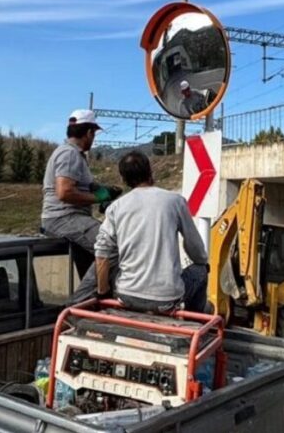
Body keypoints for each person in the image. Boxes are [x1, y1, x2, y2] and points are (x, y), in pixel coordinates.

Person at [94, 151, 209, 314]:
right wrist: (201, 261)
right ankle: (193, 320)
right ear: (150, 171)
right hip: (167, 300)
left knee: (116, 268)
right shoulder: (175, 201)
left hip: (127, 297)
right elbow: (196, 250)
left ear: (123, 179)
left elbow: (101, 253)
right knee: (200, 270)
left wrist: (102, 293)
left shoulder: (116, 207)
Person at [40, 109, 122, 301]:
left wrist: (104, 190)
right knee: (111, 246)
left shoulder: (74, 155)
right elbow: (64, 192)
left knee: (99, 254)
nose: (93, 139)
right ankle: (77, 305)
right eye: (94, 134)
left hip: (69, 217)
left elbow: (79, 185)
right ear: (89, 133)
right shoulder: (69, 155)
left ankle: (97, 300)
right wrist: (98, 198)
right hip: (63, 218)